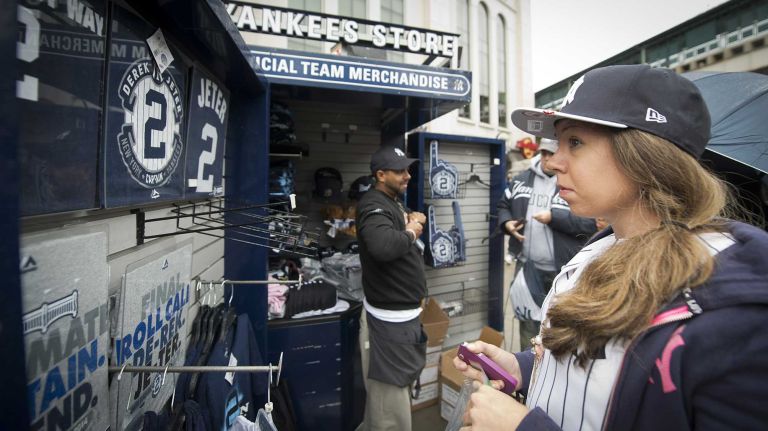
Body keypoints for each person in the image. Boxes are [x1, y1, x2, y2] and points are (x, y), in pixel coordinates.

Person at [454, 64, 768, 430]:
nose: (554, 162)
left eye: (575, 142)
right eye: (559, 143)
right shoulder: (598, 250)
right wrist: (524, 366)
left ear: (643, 155)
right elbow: (595, 368)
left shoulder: (735, 314)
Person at [355, 146, 428, 431]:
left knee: (390, 401)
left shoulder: (392, 200)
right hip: (389, 322)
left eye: (407, 169)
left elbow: (400, 226)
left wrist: (412, 219)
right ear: (380, 174)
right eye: (399, 171)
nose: (407, 176)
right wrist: (413, 230)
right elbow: (383, 246)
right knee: (390, 407)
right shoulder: (373, 203)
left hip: (401, 318)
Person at [498, 138, 598, 345]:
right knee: (527, 322)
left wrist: (554, 218)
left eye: (551, 153)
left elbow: (591, 224)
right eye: (543, 153)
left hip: (563, 269)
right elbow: (503, 204)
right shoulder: (521, 179)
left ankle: (553, 370)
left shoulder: (577, 181)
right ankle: (528, 368)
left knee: (561, 326)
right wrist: (506, 222)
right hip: (526, 266)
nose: (546, 158)